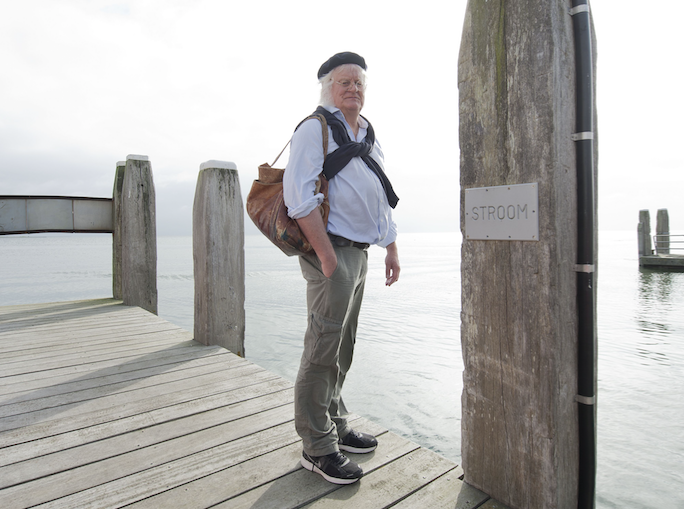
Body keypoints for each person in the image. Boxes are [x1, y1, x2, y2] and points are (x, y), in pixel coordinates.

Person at [283, 51, 400, 485]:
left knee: (342, 346)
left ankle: (335, 420)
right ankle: (316, 447)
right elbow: (299, 197)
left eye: (359, 83)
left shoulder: (367, 132)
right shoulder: (314, 128)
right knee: (322, 348)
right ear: (328, 88)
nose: (353, 88)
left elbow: (379, 193)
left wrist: (390, 246)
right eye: (344, 82)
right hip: (330, 252)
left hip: (361, 252)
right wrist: (328, 258)